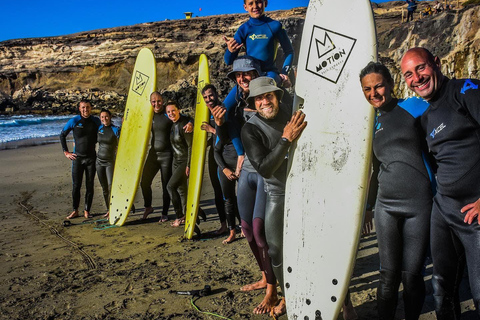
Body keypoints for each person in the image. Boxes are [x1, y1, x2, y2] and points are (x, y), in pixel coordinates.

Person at [401, 47, 480, 319]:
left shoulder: (466, 91)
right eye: (408, 74)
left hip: (475, 212)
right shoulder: (426, 117)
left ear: (436, 63)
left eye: (421, 68)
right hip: (444, 210)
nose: (417, 78)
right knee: (441, 289)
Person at [360, 62, 435, 320]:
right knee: (388, 275)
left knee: (412, 275)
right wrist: (369, 207)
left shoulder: (414, 107)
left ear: (391, 84)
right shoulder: (370, 124)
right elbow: (373, 169)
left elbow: (447, 139)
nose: (374, 93)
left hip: (420, 205)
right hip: (386, 206)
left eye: (379, 85)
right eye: (367, 89)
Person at [213, 56, 279, 315]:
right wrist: (220, 126)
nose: (242, 79)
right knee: (247, 230)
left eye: (247, 73)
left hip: (265, 169)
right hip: (247, 171)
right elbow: (224, 129)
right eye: (238, 76)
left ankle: (272, 288)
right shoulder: (237, 100)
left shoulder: (268, 94)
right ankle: (265, 276)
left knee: (262, 231)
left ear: (257, 72)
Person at [241, 76, 307, 317]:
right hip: (278, 193)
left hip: (307, 190)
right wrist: (286, 139)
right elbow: (265, 168)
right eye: (259, 98)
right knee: (276, 250)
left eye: (269, 95)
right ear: (253, 103)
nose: (264, 102)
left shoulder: (294, 113)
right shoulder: (250, 129)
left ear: (277, 96)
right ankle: (287, 295)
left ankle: (345, 301)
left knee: (312, 244)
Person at [140, 92, 192, 223]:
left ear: (162, 101)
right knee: (144, 182)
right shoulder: (149, 114)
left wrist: (191, 122)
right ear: (150, 102)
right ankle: (148, 206)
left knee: (166, 186)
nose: (156, 104)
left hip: (167, 156)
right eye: (153, 101)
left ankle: (164, 213)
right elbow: (136, 121)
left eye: (158, 101)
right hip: (153, 154)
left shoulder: (168, 114)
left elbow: (184, 118)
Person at [224, 0, 294, 94]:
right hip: (249, 76)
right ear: (245, 7)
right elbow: (228, 61)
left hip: (270, 74)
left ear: (265, 3)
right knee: (224, 107)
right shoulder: (244, 29)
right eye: (251, 3)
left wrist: (284, 73)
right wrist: (230, 51)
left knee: (262, 91)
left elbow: (289, 51)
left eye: (258, 2)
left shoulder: (275, 26)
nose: (255, 6)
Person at [201, 84, 243, 242]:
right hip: (220, 158)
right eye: (205, 97)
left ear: (216, 94)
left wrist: (213, 129)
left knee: (241, 196)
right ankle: (228, 227)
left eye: (210, 95)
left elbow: (234, 143)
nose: (209, 99)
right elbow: (216, 147)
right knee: (224, 196)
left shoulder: (226, 111)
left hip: (232, 158)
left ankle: (243, 227)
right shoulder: (205, 113)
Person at [60, 100, 101, 219]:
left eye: (87, 107)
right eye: (83, 107)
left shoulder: (96, 121)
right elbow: (62, 135)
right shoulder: (74, 121)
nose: (85, 109)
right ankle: (75, 210)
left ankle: (87, 210)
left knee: (90, 185)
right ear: (79, 108)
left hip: (91, 159)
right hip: (77, 158)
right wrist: (66, 152)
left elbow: (105, 130)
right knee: (76, 185)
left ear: (91, 108)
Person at [165, 101, 193, 228]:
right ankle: (188, 214)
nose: (171, 113)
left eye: (173, 111)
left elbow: (190, 146)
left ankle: (179, 216)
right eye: (168, 112)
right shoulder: (173, 125)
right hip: (175, 161)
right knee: (181, 190)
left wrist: (188, 165)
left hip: (183, 161)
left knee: (170, 186)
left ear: (178, 110)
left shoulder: (184, 125)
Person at [96, 109, 121, 218]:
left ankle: (115, 207)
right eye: (102, 117)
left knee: (111, 186)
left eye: (106, 116)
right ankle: (109, 209)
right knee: (104, 187)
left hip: (110, 162)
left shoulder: (116, 130)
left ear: (110, 117)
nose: (104, 119)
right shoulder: (99, 128)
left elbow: (122, 145)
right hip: (99, 162)